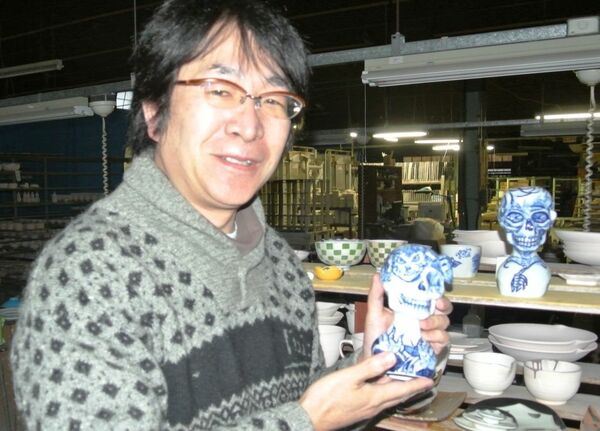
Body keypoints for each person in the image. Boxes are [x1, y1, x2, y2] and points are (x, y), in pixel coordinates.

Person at [10, 0, 452, 429]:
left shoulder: (281, 265)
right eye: (221, 90)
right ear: (154, 112)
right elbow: (302, 416)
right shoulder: (87, 272)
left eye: (273, 99)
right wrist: (306, 422)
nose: (250, 125)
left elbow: (296, 403)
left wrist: (374, 366)